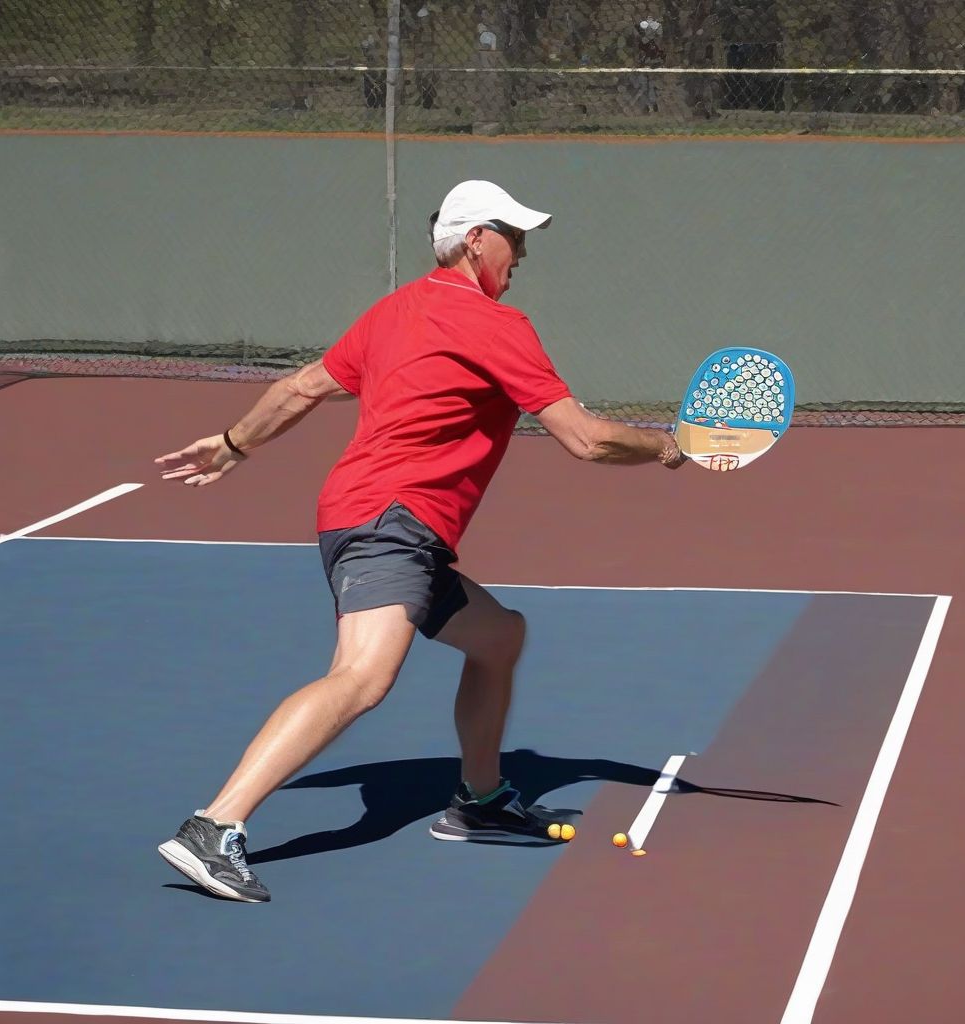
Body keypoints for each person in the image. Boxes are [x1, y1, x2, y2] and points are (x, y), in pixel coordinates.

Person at [154, 180, 682, 903]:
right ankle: (215, 826)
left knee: (498, 636)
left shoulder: (394, 311)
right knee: (363, 677)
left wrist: (232, 442)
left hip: (382, 521)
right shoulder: (497, 324)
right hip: (389, 521)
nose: (522, 251)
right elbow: (586, 441)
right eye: (513, 236)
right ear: (475, 241)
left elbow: (304, 387)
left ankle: (481, 800)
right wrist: (665, 446)